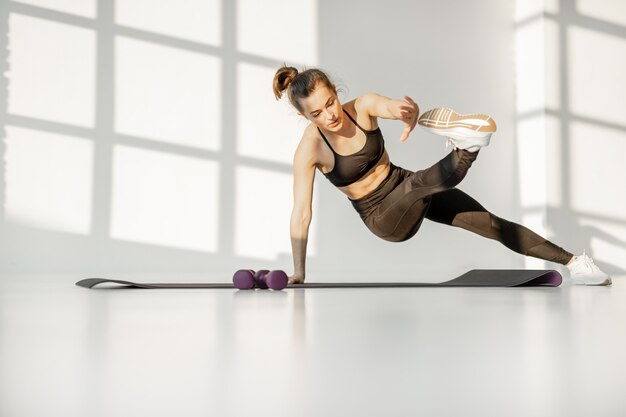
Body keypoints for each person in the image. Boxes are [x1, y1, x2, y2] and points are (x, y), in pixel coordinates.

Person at [272, 65, 612, 287]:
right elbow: (301, 214)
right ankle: (467, 147)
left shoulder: (362, 107)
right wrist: (300, 270)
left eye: (330, 102)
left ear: (335, 91)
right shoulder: (311, 148)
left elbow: (392, 106)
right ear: (304, 115)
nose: (330, 114)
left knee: (489, 223)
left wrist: (408, 113)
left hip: (405, 183)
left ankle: (575, 263)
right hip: (383, 217)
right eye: (316, 113)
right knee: (419, 183)